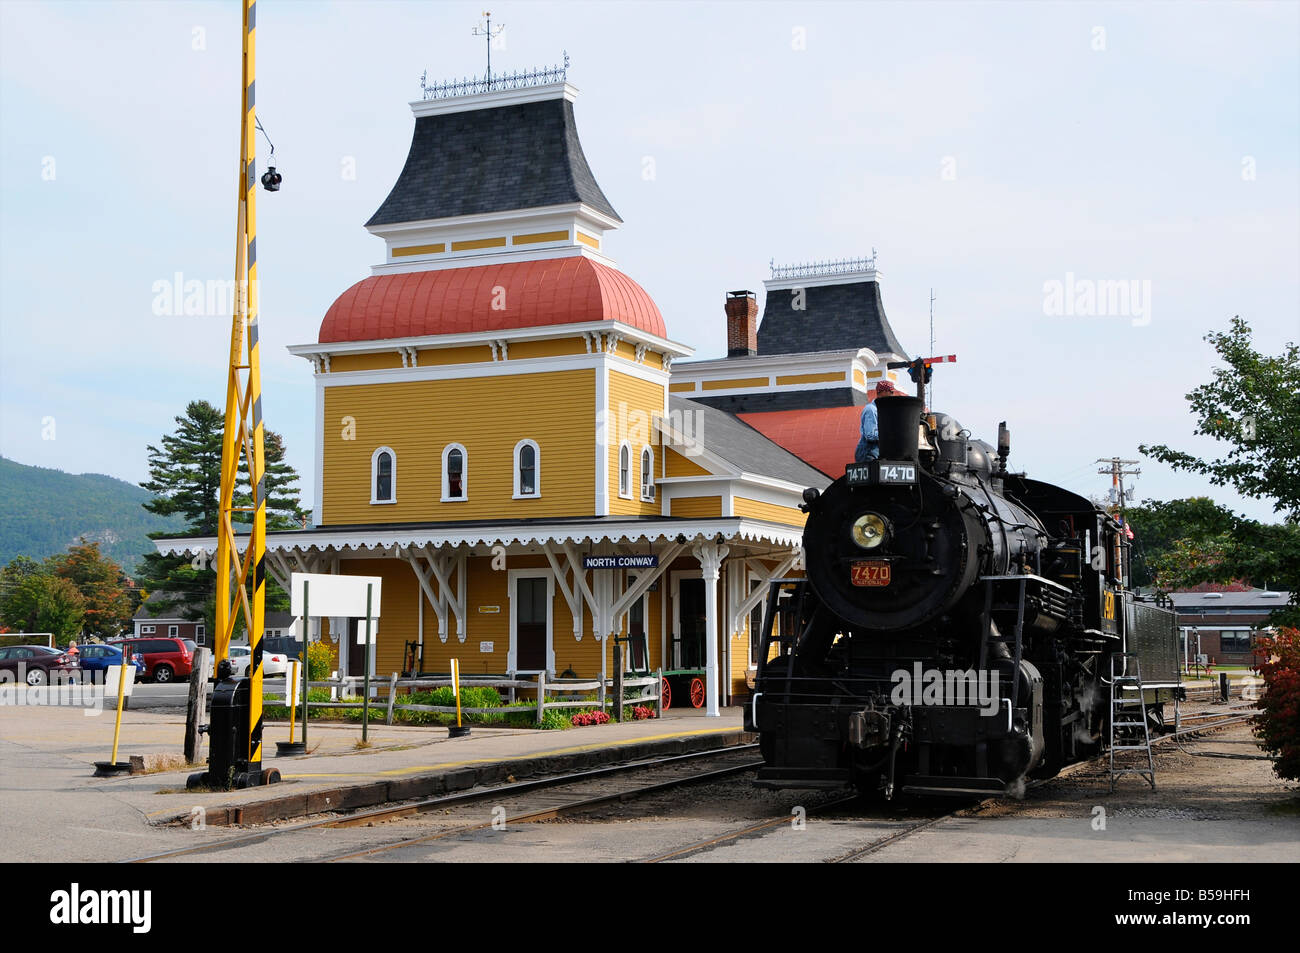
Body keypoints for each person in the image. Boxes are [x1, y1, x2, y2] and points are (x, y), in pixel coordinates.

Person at [855, 381, 899, 463]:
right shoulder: (871, 410)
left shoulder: (880, 410)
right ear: (883, 392)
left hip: (875, 451)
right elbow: (870, 435)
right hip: (868, 452)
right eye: (891, 392)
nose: (892, 395)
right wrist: (890, 435)